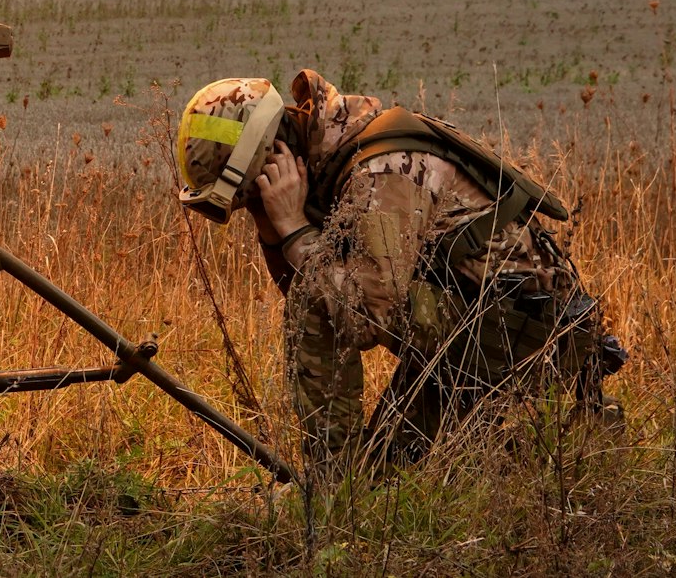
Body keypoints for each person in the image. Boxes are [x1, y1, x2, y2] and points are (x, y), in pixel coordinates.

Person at [176, 69, 625, 474]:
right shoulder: (332, 153)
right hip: (481, 323)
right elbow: (310, 286)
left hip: (520, 333)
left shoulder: (381, 170)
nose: (254, 202)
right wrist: (270, 226)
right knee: (388, 477)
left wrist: (294, 228)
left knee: (321, 301)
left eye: (250, 193)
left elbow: (365, 315)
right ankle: (568, 441)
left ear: (273, 154)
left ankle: (334, 485)